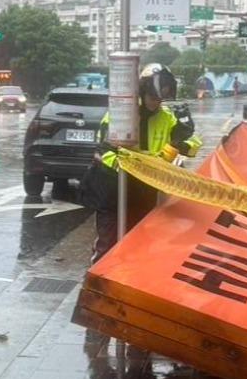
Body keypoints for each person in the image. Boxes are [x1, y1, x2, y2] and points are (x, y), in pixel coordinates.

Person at [83, 65, 201, 262]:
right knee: (108, 248)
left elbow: (195, 145)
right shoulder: (121, 115)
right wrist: (128, 167)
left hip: (145, 191)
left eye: (160, 99)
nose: (157, 103)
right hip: (114, 190)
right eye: (153, 98)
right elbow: (103, 152)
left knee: (139, 248)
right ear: (142, 91)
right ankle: (97, 284)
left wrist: (182, 139)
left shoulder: (166, 117)